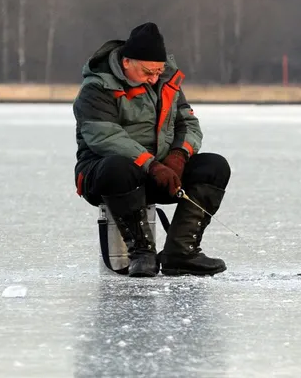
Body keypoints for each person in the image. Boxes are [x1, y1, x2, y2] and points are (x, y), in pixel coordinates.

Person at [73, 22, 231, 278]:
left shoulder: (167, 83)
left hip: (162, 172)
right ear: (126, 62)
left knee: (214, 166)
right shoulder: (96, 89)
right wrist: (152, 165)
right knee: (118, 166)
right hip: (106, 177)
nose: (155, 78)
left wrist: (179, 156)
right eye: (148, 72)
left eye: (159, 71)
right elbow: (105, 137)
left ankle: (181, 253)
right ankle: (141, 252)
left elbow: (189, 124)